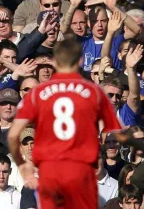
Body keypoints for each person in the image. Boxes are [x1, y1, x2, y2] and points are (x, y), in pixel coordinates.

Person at [7, 37, 135, 208]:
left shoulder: (40, 93)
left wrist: (23, 166)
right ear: (80, 60)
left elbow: (13, 135)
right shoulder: (90, 92)